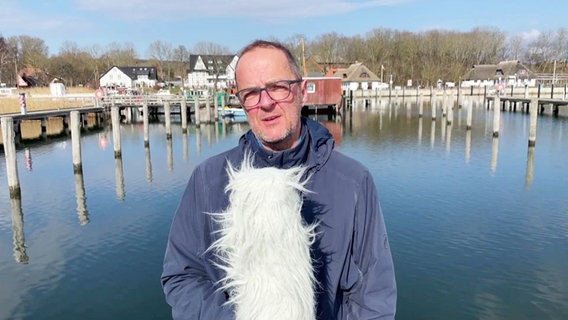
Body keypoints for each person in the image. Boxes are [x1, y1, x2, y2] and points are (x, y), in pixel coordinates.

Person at [161, 40, 397, 319]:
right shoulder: (207, 180)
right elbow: (181, 275)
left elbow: (374, 293)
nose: (266, 102)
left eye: (277, 87)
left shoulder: (354, 181)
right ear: (242, 102)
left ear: (301, 91)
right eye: (251, 93)